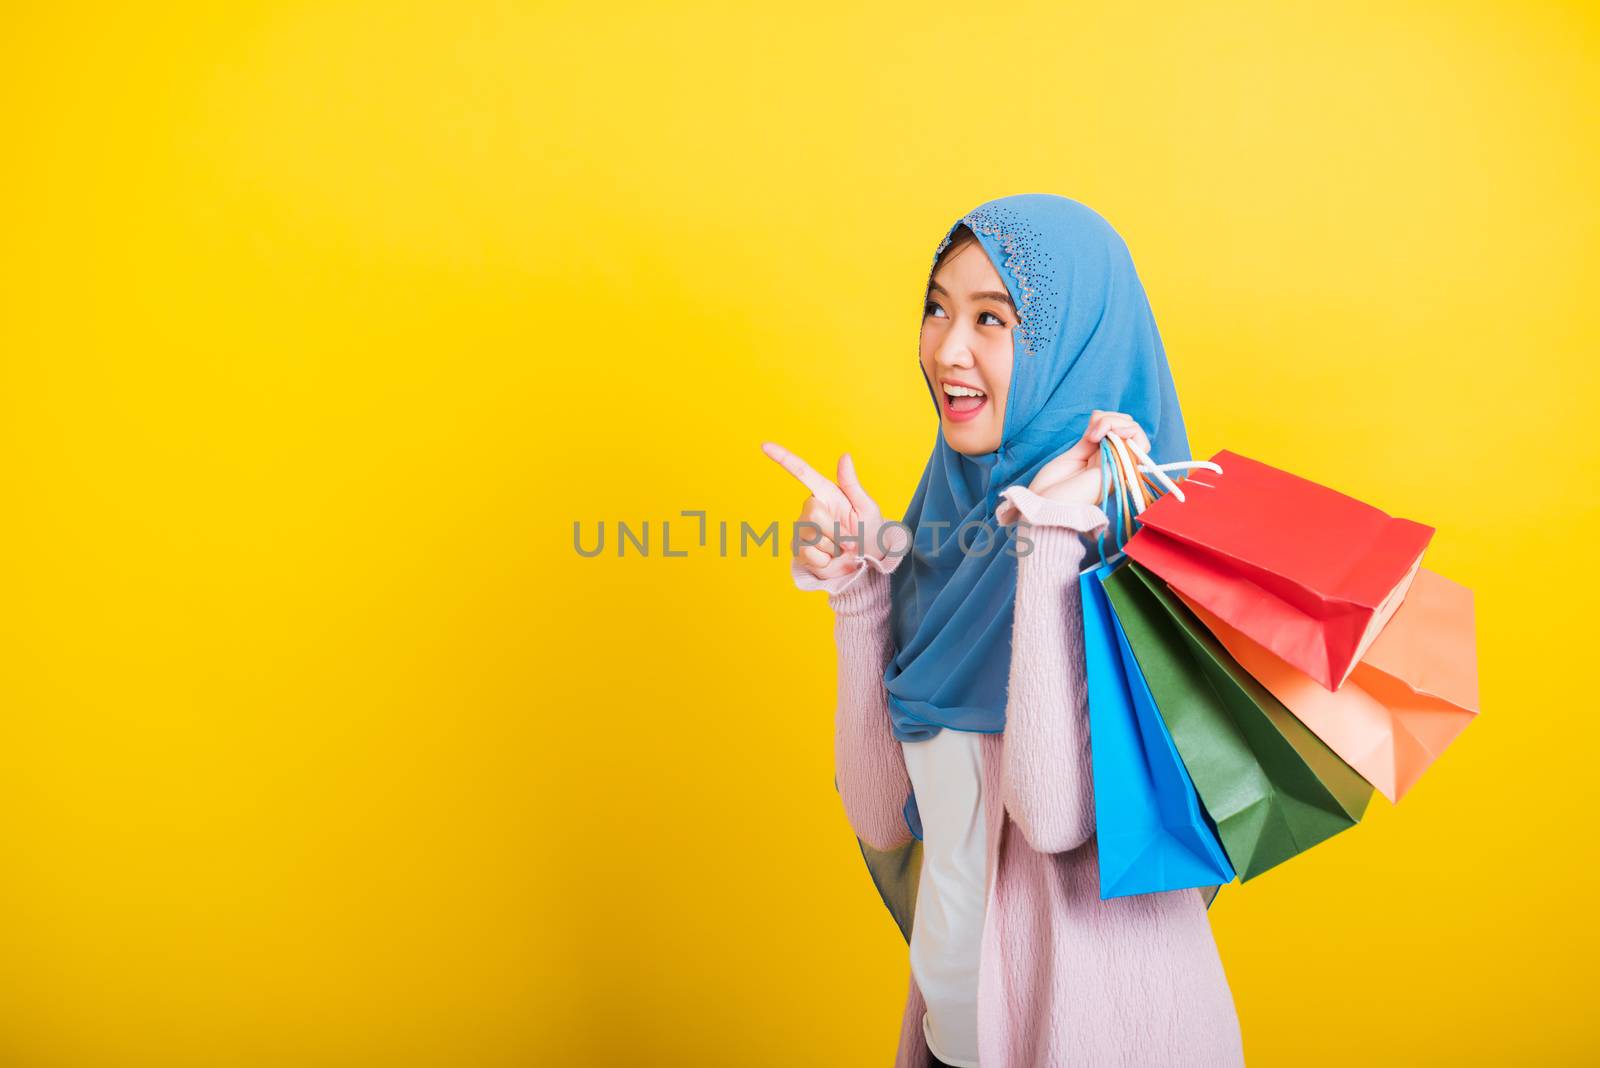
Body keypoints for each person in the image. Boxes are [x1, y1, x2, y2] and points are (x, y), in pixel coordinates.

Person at [762, 194, 1245, 1067]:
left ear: (1074, 349)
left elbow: (1052, 815)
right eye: (938, 308)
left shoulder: (1124, 554)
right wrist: (859, 594)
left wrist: (1053, 541)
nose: (948, 349)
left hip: (1104, 1042)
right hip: (955, 1039)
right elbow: (882, 817)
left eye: (994, 318)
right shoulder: (944, 535)